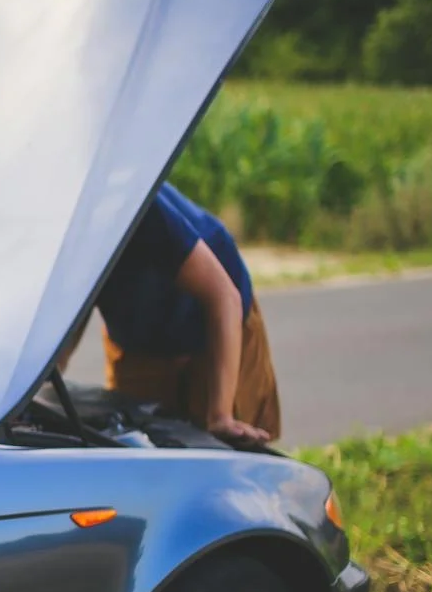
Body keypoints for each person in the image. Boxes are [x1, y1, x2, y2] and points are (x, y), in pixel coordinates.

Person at [63, 183, 281, 446]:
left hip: (218, 323)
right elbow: (71, 310)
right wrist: (46, 379)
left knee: (223, 447)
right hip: (138, 338)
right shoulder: (55, 231)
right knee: (136, 445)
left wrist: (220, 414)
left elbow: (224, 297)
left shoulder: (137, 206)